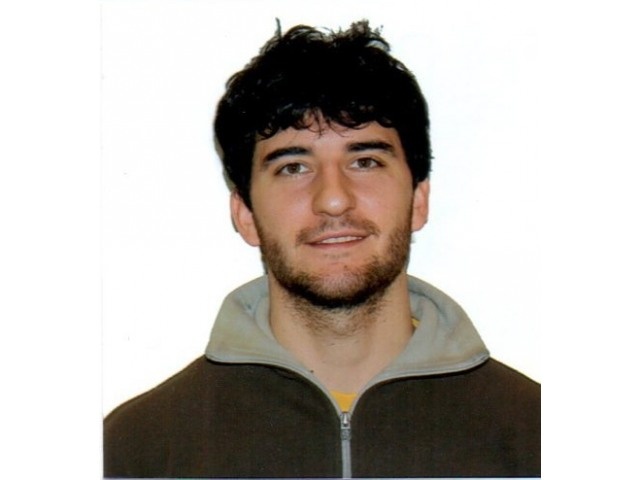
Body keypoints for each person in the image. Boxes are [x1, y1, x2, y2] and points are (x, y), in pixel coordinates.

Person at [103, 20, 540, 478]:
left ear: (418, 201)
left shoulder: (537, 437)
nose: (333, 199)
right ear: (245, 214)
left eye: (365, 161)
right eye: (293, 167)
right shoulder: (136, 451)